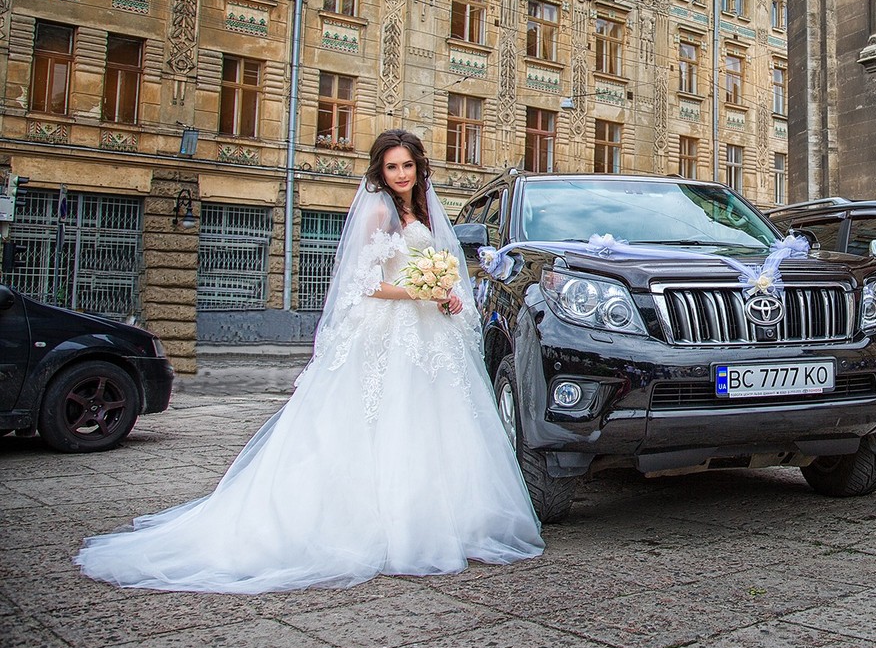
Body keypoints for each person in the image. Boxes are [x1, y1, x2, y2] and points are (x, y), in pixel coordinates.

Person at [75, 130, 544, 592]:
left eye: (407, 165)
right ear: (381, 172)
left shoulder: (420, 209)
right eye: (391, 167)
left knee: (433, 422)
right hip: (389, 328)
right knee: (384, 420)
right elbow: (362, 282)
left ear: (420, 167)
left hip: (427, 330)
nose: (401, 174)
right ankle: (384, 528)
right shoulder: (378, 209)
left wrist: (447, 299)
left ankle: (445, 520)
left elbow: (441, 271)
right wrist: (419, 291)